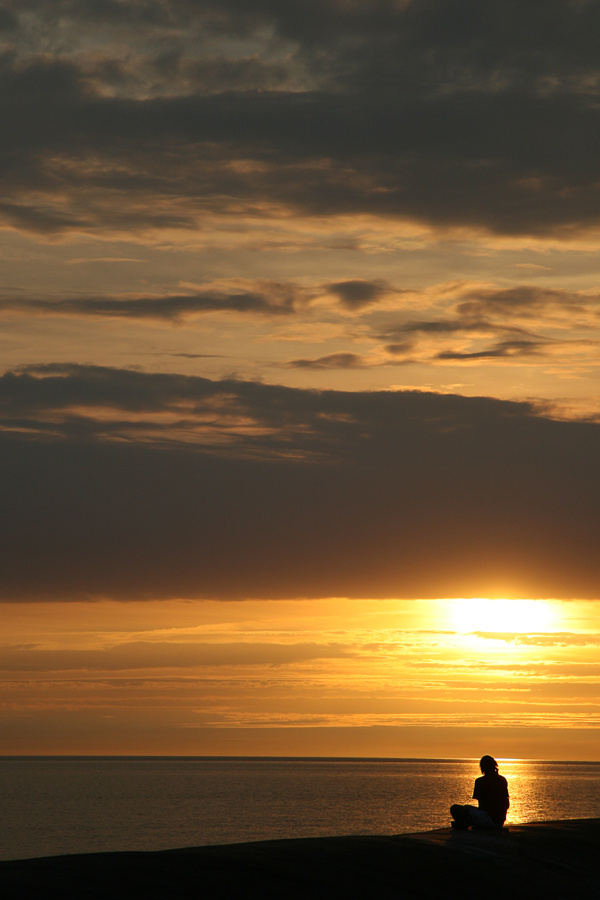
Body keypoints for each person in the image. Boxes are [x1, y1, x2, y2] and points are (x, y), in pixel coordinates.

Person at [450, 756, 509, 829]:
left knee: (455, 808)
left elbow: (482, 806)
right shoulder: (502, 780)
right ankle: (465, 822)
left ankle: (464, 824)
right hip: (500, 821)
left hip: (489, 820)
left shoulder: (480, 781)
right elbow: (506, 803)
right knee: (466, 807)